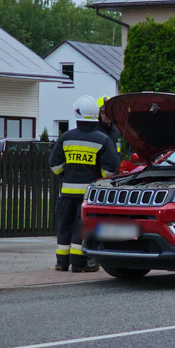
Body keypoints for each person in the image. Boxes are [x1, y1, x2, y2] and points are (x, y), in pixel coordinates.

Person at [49, 95, 120, 272]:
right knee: (82, 227)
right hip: (88, 194)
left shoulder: (66, 137)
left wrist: (67, 174)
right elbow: (109, 171)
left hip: (67, 193)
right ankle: (78, 263)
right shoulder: (102, 139)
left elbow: (55, 165)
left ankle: (61, 263)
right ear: (95, 114)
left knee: (65, 225)